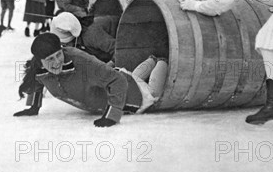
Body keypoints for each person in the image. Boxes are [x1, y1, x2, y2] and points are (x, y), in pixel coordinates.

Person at [15, 33, 168, 128]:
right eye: (50, 59)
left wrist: (111, 116)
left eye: (58, 55)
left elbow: (118, 81)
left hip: (132, 96)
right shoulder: (39, 69)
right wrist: (33, 107)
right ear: (40, 61)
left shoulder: (81, 62)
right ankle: (152, 60)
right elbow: (35, 82)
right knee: (132, 77)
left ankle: (164, 60)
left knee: (152, 94)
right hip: (113, 78)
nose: (56, 62)